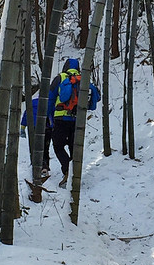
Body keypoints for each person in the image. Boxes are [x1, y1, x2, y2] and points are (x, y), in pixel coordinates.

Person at [46, 57, 100, 187]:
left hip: (61, 118)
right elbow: (96, 98)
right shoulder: (84, 78)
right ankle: (74, 175)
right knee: (74, 147)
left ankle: (67, 170)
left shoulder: (60, 78)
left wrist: (48, 116)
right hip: (77, 120)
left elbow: (50, 99)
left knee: (58, 146)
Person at [21, 88, 52, 180]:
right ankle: (45, 167)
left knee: (36, 148)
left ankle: (37, 166)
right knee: (45, 148)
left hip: (34, 128)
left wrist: (22, 128)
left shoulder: (32, 103)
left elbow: (26, 116)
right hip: (47, 129)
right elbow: (53, 115)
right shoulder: (49, 103)